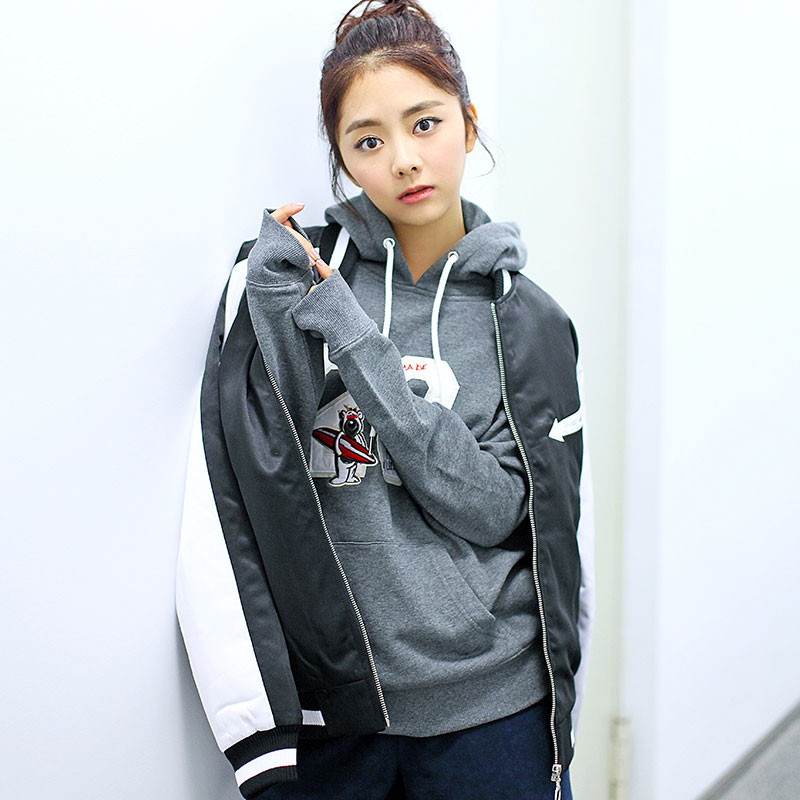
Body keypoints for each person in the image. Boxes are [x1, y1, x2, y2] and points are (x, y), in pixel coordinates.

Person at [175, 1, 595, 799]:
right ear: (342, 160)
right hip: (337, 721)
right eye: (368, 141)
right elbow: (265, 475)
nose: (404, 160)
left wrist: (355, 338)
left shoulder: (527, 320)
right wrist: (278, 302)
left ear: (468, 125)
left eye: (425, 124)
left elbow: (494, 509)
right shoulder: (296, 283)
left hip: (494, 714)